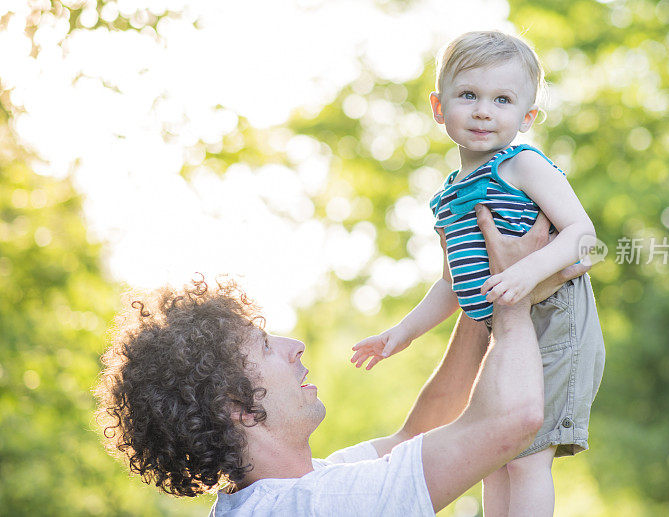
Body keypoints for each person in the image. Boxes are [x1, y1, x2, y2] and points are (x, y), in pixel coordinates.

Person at [95, 207, 585, 516]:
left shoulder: (300, 492)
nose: (294, 347)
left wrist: (475, 283)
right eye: (265, 347)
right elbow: (513, 419)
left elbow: (415, 436)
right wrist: (513, 296)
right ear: (237, 408)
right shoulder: (313, 507)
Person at [350, 31, 606, 516]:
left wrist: (526, 273)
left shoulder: (522, 165)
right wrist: (401, 333)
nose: (484, 110)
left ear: (526, 117)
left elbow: (583, 237)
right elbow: (450, 282)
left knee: (526, 451)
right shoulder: (447, 197)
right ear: (438, 107)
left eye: (502, 100)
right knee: (491, 452)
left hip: (554, 315)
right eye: (468, 95)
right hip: (502, 328)